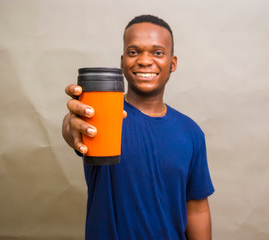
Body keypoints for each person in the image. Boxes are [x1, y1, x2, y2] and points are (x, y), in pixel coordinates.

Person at [62, 15, 215, 240]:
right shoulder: (102, 117)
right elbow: (73, 127)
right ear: (122, 62)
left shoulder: (191, 133)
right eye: (134, 52)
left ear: (172, 63)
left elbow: (197, 209)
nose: (144, 60)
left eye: (157, 52)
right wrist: (70, 125)